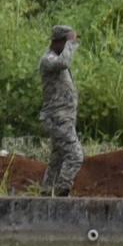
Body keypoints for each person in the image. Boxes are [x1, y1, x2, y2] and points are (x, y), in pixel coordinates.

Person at [39, 25, 82, 196]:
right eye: (66, 43)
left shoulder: (55, 59)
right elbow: (64, 62)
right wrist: (70, 43)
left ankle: (46, 192)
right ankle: (62, 191)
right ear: (58, 43)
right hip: (57, 117)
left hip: (64, 118)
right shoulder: (48, 60)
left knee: (57, 159)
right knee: (75, 155)